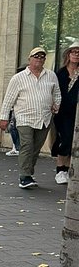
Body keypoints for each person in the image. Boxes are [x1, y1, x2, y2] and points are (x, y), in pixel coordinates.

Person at [0, 47, 61, 189]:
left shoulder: (51, 75)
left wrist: (57, 104)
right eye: (36, 56)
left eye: (42, 57)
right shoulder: (18, 78)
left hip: (44, 118)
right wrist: (3, 118)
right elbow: (8, 99)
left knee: (36, 148)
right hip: (24, 117)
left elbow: (57, 93)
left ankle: (28, 173)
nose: (39, 59)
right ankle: (24, 176)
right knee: (27, 145)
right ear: (29, 59)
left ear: (45, 60)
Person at [53, 42, 79, 185]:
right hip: (62, 112)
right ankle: (60, 170)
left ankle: (67, 169)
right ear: (68, 55)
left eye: (78, 52)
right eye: (73, 52)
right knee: (65, 139)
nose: (76, 55)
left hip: (76, 112)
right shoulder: (60, 73)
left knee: (73, 142)